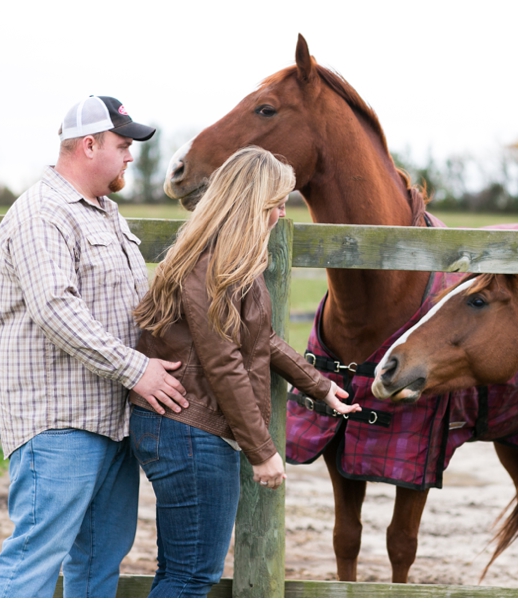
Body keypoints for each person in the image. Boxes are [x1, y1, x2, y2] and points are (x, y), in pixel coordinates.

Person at [129, 146, 360, 597]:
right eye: (277, 204)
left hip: (185, 427)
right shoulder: (214, 264)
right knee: (192, 577)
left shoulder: (223, 257)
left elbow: (259, 338)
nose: (279, 215)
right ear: (254, 205)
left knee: (180, 571)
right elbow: (223, 362)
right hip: (190, 429)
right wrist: (262, 451)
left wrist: (320, 386)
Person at [0, 95, 189, 598]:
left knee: (99, 565)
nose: (130, 156)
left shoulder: (105, 214)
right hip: (60, 421)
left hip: (113, 421)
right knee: (35, 558)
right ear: (89, 144)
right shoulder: (41, 212)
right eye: (122, 145)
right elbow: (55, 308)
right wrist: (137, 370)